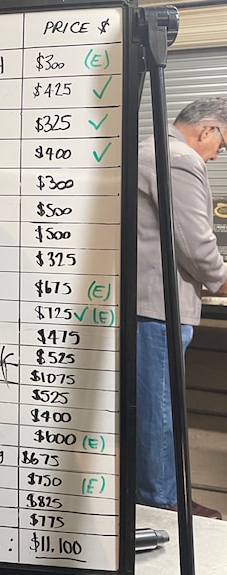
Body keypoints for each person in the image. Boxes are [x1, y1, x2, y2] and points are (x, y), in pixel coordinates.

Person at [137, 97, 227, 519]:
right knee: (159, 409)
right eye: (221, 144)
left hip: (153, 305)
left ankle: (166, 494)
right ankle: (162, 503)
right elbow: (195, 242)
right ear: (207, 129)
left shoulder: (152, 148)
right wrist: (222, 279)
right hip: (159, 307)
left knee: (159, 406)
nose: (218, 153)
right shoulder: (179, 158)